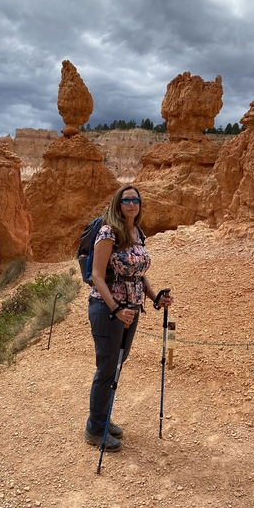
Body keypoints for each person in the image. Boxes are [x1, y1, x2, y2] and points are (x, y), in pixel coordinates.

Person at [84, 184, 173, 452]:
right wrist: (115, 309)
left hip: (131, 310)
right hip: (108, 310)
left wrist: (155, 297)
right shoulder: (108, 232)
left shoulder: (137, 233)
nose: (131, 204)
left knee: (117, 365)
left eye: (136, 200)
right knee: (107, 367)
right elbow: (98, 276)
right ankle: (94, 429)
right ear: (118, 204)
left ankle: (103, 417)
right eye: (126, 200)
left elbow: (137, 273)